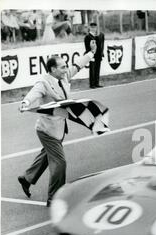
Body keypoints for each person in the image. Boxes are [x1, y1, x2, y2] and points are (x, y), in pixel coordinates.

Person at [17, 42, 97, 207]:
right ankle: (54, 197)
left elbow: (77, 65)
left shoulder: (64, 76)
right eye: (62, 67)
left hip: (58, 128)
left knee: (48, 155)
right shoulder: (44, 83)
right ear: (52, 69)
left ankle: (27, 178)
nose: (66, 69)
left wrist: (90, 53)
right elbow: (34, 93)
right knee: (60, 162)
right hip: (47, 130)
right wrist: (25, 102)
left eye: (65, 66)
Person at [84, 22, 105, 88]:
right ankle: (92, 84)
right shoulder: (88, 37)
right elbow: (87, 47)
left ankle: (97, 83)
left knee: (97, 69)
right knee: (92, 69)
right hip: (92, 55)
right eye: (92, 27)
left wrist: (101, 53)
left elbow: (101, 46)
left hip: (98, 55)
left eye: (94, 27)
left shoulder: (98, 35)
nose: (93, 29)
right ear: (90, 28)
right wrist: (90, 54)